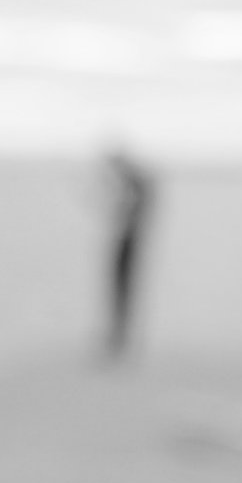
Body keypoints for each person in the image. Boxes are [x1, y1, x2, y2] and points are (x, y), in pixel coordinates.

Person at [101, 145, 155, 361]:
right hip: (128, 242)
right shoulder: (136, 185)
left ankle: (120, 340)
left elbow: (128, 212)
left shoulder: (135, 185)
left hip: (127, 243)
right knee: (122, 292)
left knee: (122, 291)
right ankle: (119, 338)